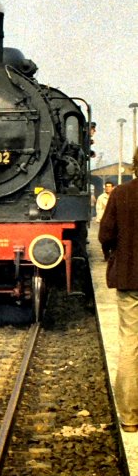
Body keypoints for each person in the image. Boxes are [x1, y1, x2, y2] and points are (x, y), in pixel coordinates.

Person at [98, 148, 138, 432]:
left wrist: (115, 254)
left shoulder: (121, 194)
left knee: (130, 344)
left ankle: (131, 418)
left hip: (129, 279)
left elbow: (105, 235)